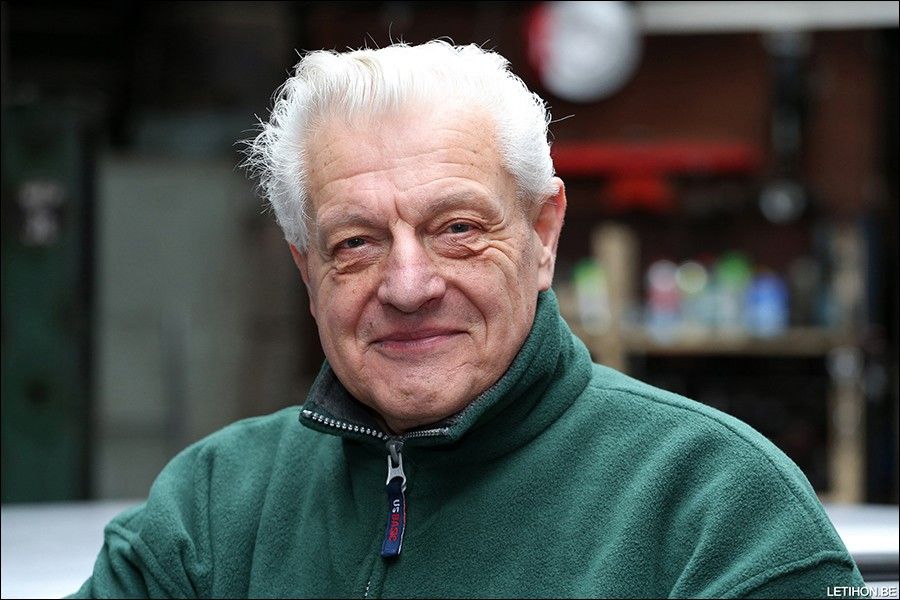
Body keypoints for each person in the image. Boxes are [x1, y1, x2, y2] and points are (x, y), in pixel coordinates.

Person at [72, 41, 865, 598]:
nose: (408, 285)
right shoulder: (213, 512)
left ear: (543, 235)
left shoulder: (717, 507)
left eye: (456, 228)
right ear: (308, 272)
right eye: (356, 243)